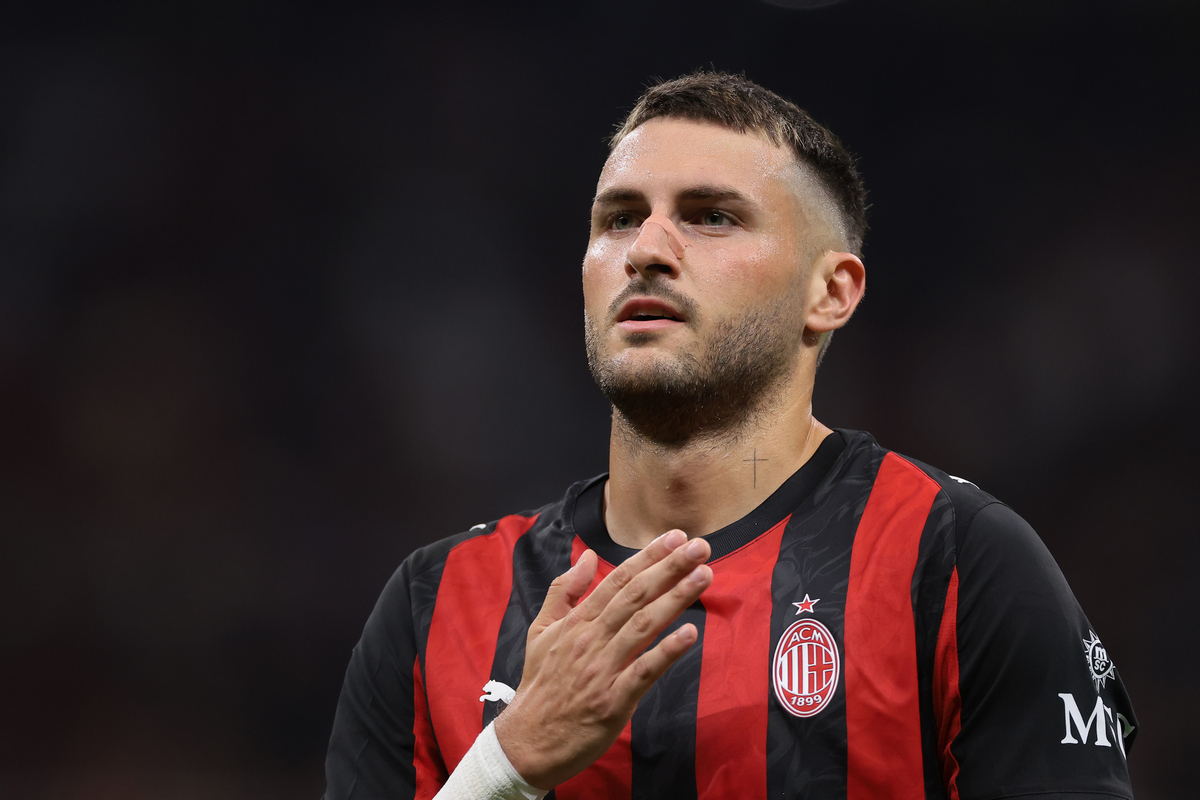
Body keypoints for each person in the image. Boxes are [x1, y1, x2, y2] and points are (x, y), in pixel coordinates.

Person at [323, 72, 1137, 800]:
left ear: (831, 292)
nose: (645, 250)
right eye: (618, 219)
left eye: (711, 217)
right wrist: (510, 766)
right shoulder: (435, 603)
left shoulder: (957, 562)